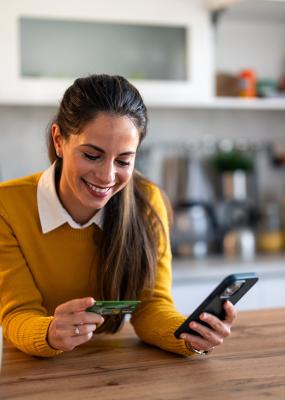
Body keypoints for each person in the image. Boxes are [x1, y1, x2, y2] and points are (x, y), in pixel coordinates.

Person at [0, 74, 236, 357]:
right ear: (59, 140)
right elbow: (17, 314)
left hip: (112, 366)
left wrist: (189, 336)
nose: (107, 176)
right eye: (92, 155)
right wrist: (49, 334)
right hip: (34, 374)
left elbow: (151, 307)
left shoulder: (147, 202)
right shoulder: (7, 206)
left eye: (123, 160)